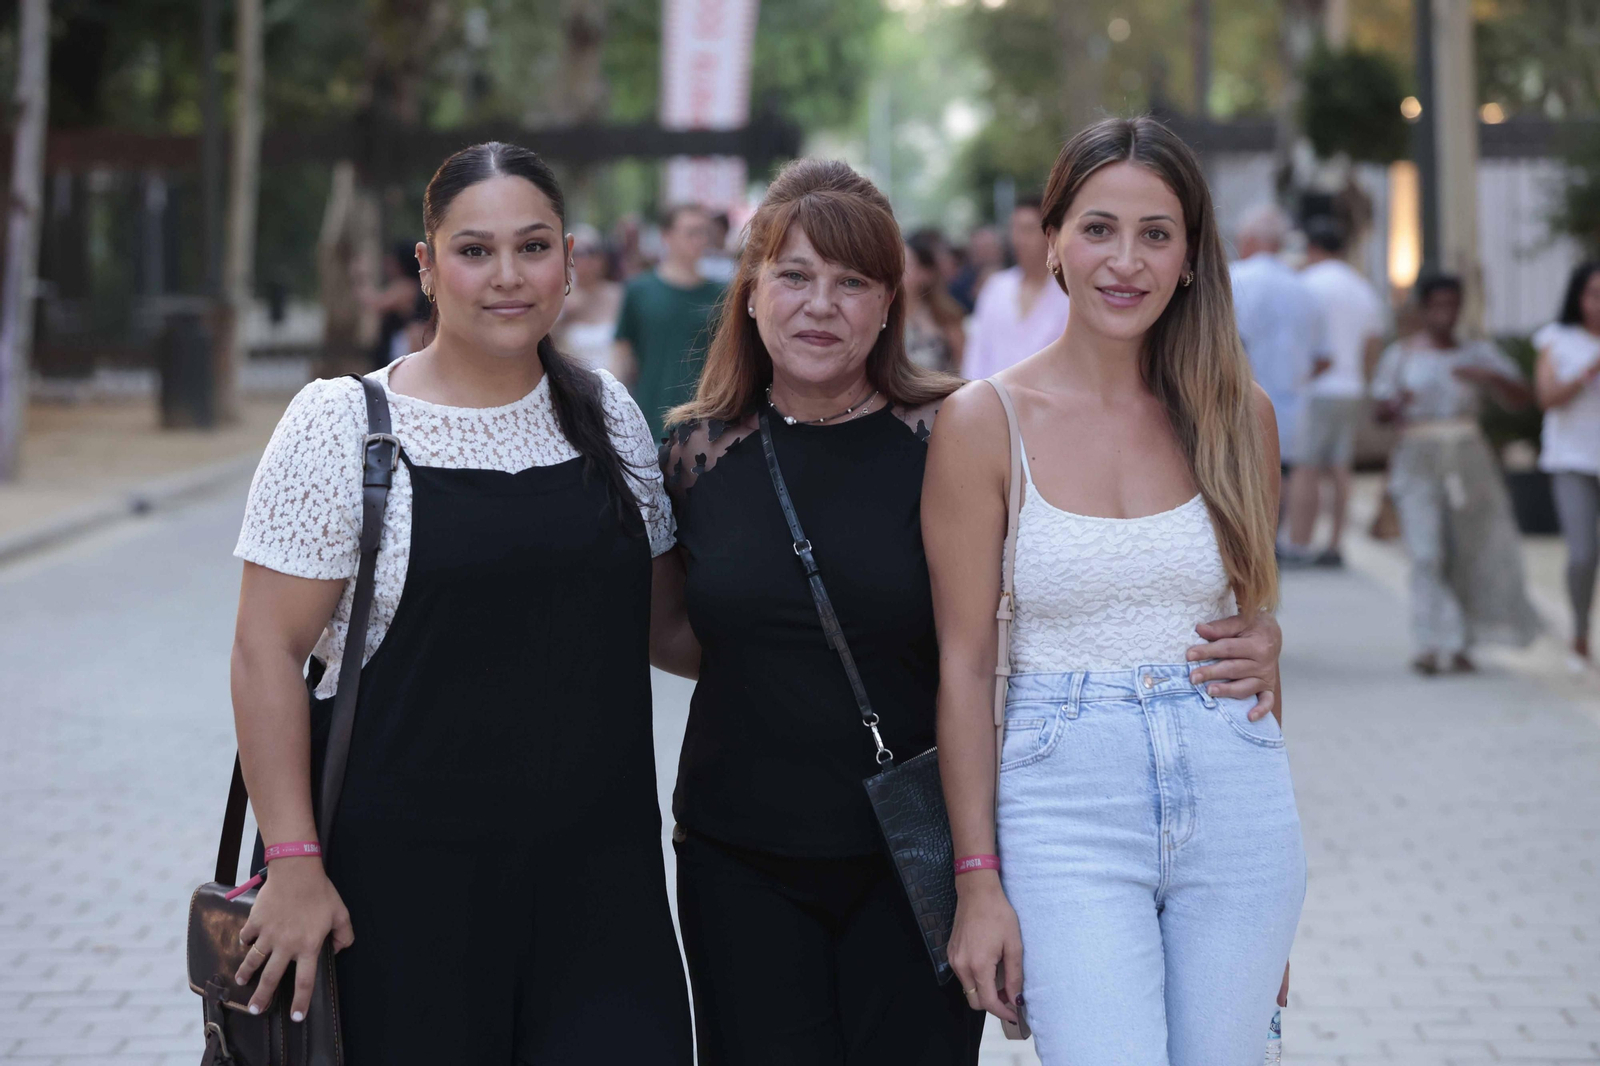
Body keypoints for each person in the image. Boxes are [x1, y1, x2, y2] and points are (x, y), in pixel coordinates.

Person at [651, 156, 1286, 1066]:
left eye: (851, 282)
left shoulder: (950, 432)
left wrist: (1259, 640)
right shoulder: (692, 455)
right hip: (740, 846)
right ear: (749, 293)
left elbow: (1009, 631)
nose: (819, 304)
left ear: (888, 304)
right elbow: (670, 629)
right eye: (792, 276)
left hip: (917, 847)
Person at [227, 142, 692, 1064]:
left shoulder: (609, 415)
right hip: (399, 902)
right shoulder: (342, 424)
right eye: (475, 250)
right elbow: (263, 653)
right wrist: (293, 862)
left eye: (534, 247)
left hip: (600, 894)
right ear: (427, 266)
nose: (508, 276)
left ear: (570, 260)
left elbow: (669, 627)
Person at [926, 117, 1303, 1064]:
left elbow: (1252, 636)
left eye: (1156, 233)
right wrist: (979, 881)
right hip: (1065, 805)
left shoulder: (1237, 416)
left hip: (1235, 800)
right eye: (1098, 228)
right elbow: (965, 670)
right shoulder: (984, 422)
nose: (1124, 261)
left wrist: (1273, 652)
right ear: (1050, 240)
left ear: (1189, 257)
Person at [1371, 274, 1538, 674]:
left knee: (1467, 549)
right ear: (1424, 309)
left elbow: (1523, 398)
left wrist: (1490, 378)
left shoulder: (1477, 354)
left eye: (1452, 305)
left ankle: (1462, 640)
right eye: (1437, 305)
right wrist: (1398, 404)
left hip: (1468, 458)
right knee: (1426, 551)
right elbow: (1379, 412)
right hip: (1418, 456)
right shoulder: (1402, 355)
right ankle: (1429, 641)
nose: (1445, 314)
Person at [1283, 216, 1386, 567]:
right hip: (1351, 386)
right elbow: (1373, 342)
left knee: (1305, 467)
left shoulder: (1307, 283)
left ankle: (1299, 542)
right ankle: (1335, 543)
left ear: (1312, 248)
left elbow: (1297, 338)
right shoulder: (1362, 287)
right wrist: (1363, 377)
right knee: (1340, 468)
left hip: (1315, 386)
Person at [1534, 260, 1600, 670]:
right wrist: (1588, 371)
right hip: (1572, 459)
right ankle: (1578, 632)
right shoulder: (1557, 339)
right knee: (1581, 554)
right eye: (1594, 294)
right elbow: (1547, 398)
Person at [614, 204, 726, 439]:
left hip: (708, 423)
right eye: (691, 231)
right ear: (666, 236)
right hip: (650, 421)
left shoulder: (722, 294)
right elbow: (622, 357)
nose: (700, 239)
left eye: (705, 231)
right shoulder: (640, 290)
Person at [1229, 203, 1328, 468]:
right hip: (1291, 413)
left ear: (1248, 239)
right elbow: (1322, 359)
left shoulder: (1232, 279)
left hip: (1237, 409)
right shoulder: (1304, 288)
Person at [961, 197, 1071, 380]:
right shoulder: (996, 286)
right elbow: (977, 353)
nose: (1019, 239)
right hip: (990, 399)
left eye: (1028, 230)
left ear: (1051, 235)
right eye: (1015, 229)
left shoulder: (1068, 292)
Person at [552, 223, 623, 373]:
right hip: (574, 383)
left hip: (615, 383)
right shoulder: (558, 297)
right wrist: (564, 315)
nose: (586, 260)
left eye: (592, 252)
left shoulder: (619, 295)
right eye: (578, 253)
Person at [904, 229, 966, 372]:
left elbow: (966, 366)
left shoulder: (946, 316)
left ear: (925, 274)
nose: (896, 273)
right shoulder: (881, 319)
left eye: (905, 266)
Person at [360, 242, 427, 370]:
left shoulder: (405, 287)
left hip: (404, 344)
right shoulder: (413, 286)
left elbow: (374, 303)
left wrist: (362, 277)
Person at [950, 225, 1004, 314]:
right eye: (979, 249)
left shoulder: (1019, 279)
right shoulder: (959, 286)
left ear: (1000, 250)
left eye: (988, 248)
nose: (984, 254)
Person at [698, 211, 738, 283]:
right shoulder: (700, 259)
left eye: (716, 230)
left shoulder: (732, 263)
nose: (712, 234)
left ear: (724, 231)